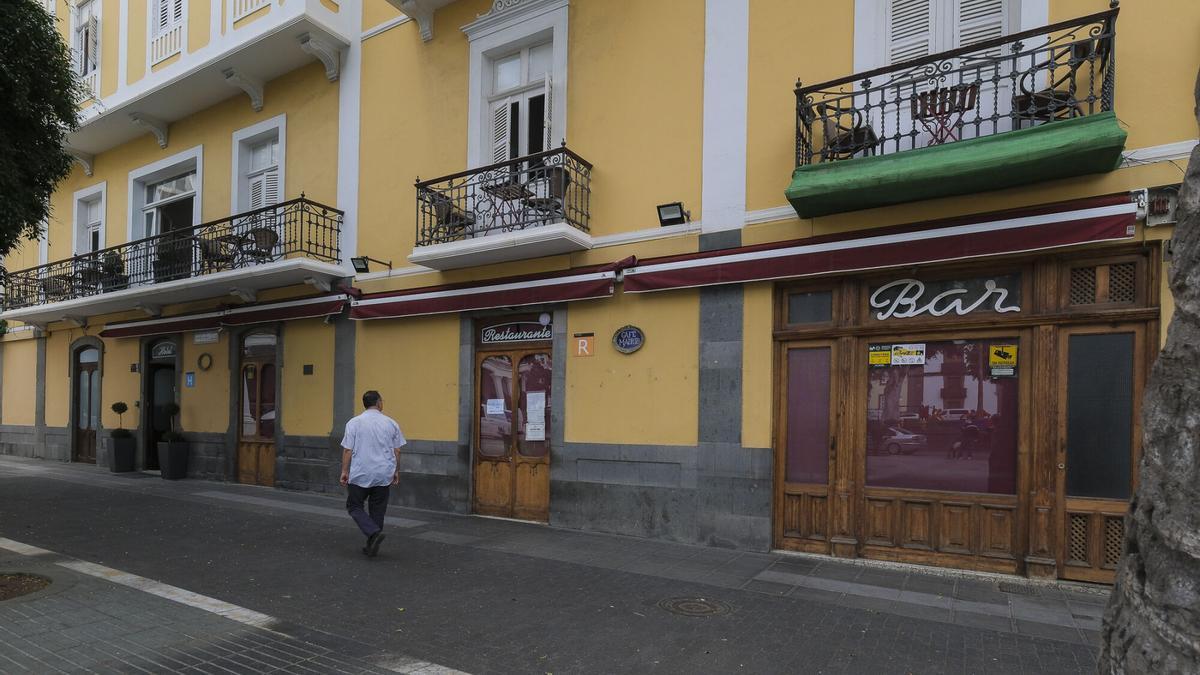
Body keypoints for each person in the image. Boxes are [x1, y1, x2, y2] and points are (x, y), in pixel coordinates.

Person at [339, 390, 406, 557]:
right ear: (378, 403)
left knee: (354, 505)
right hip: (383, 473)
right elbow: (397, 450)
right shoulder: (391, 423)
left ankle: (373, 533)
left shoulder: (354, 423)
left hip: (361, 472)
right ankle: (372, 541)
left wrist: (344, 471)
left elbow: (347, 450)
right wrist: (396, 471)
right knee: (378, 509)